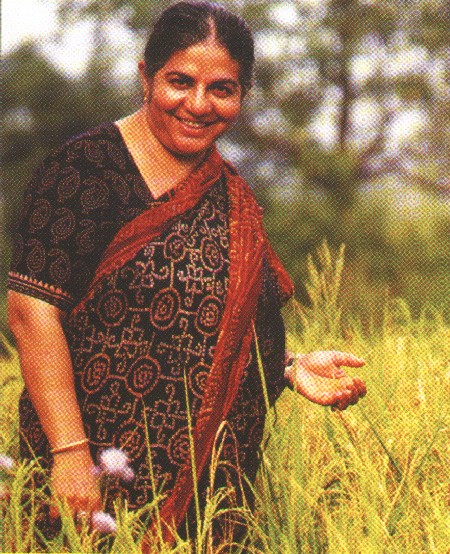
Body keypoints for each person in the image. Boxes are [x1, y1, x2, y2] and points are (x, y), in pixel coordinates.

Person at [7, 1, 367, 549]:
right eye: (179, 81)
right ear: (146, 76)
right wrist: (71, 456)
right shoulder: (84, 171)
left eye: (221, 89)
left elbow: (207, 324)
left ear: (242, 95)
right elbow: (33, 312)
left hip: (209, 491)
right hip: (94, 476)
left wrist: (287, 367)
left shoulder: (229, 194)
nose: (198, 105)